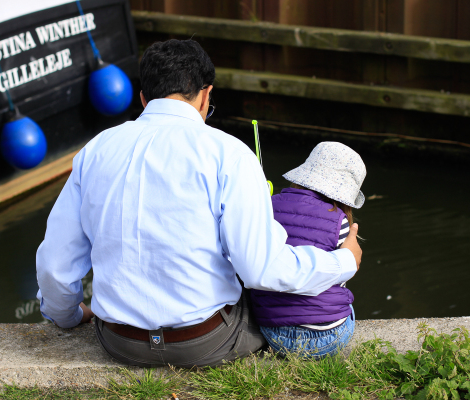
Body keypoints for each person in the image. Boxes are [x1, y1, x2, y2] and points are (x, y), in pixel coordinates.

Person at [35, 39, 362, 368]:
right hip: (205, 343)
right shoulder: (229, 154)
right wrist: (344, 261)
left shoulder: (95, 150)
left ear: (144, 98)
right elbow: (262, 269)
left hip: (120, 343)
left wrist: (68, 316)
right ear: (206, 94)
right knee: (264, 294)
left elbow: (54, 265)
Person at [250, 142, 366, 359]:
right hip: (328, 338)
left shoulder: (265, 206)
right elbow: (337, 278)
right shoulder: (339, 221)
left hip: (274, 334)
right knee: (346, 304)